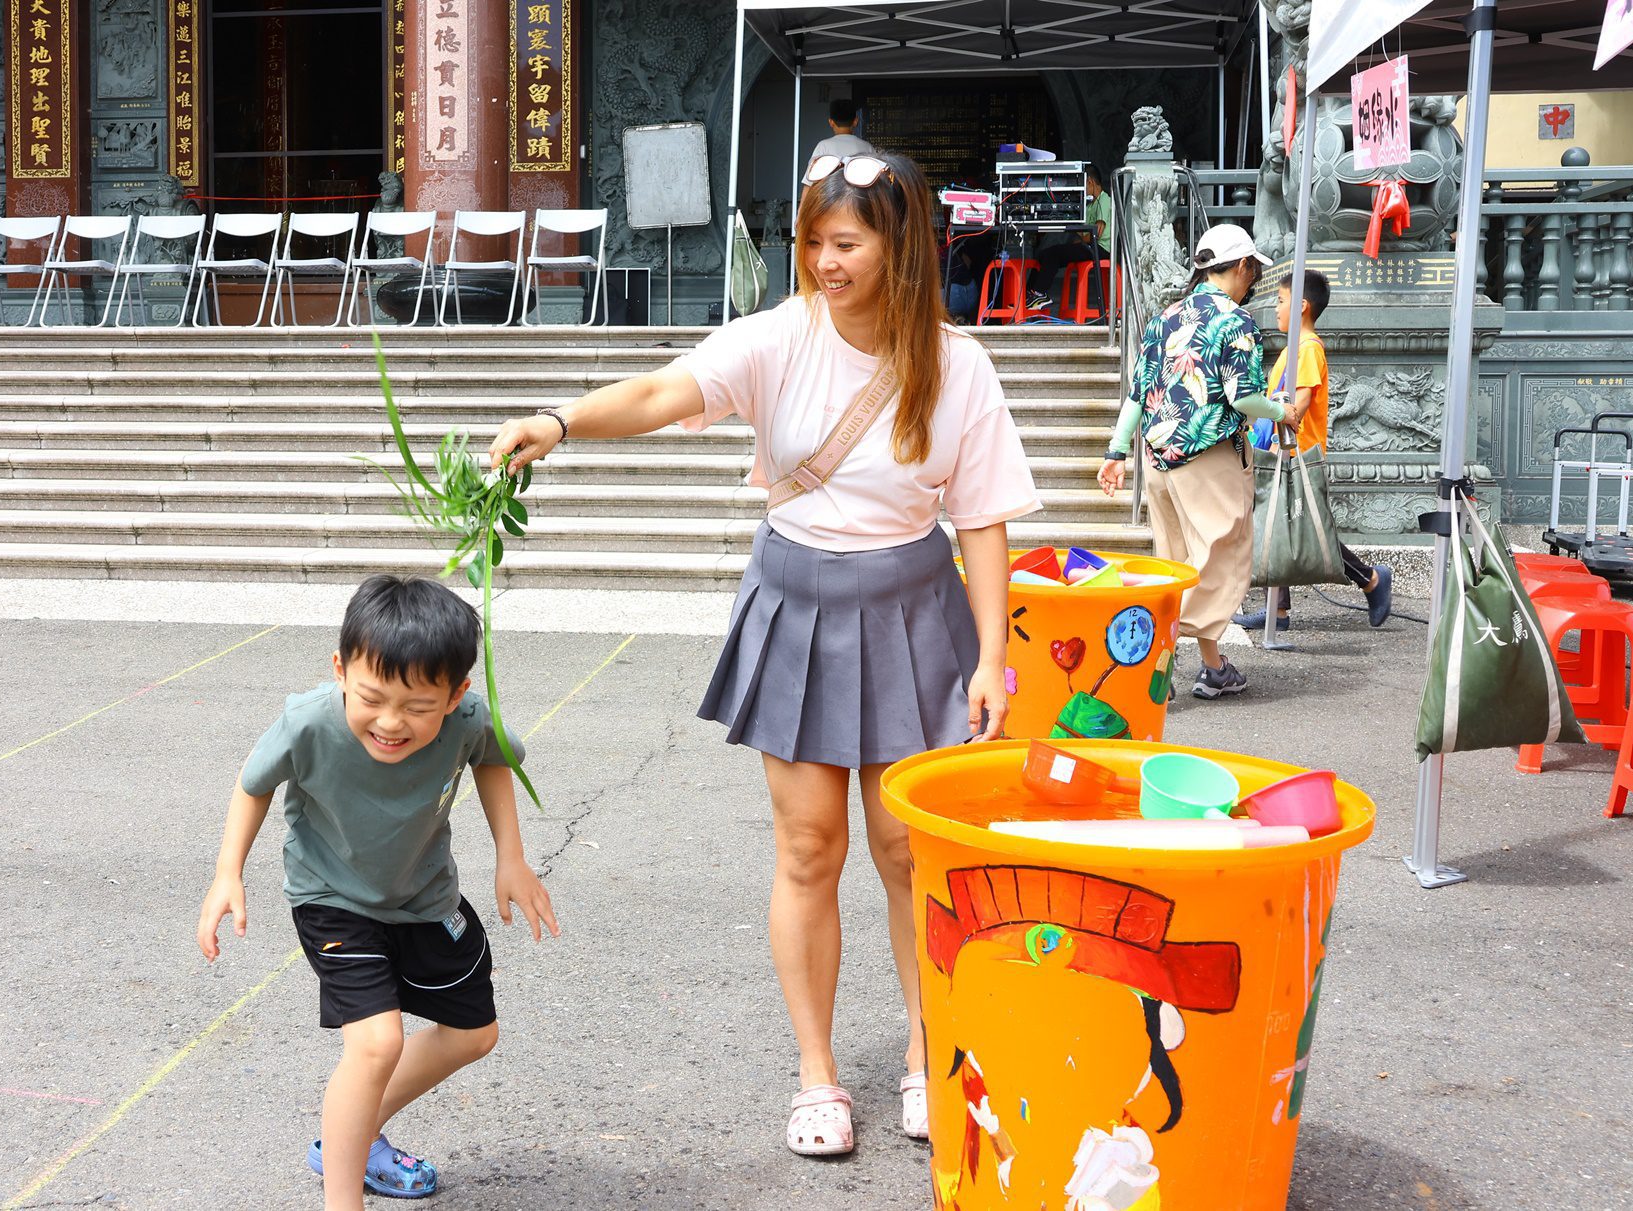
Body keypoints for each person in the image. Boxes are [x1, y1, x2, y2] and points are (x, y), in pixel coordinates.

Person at [489, 150, 1040, 1158]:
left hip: (916, 608)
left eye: (844, 244)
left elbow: (985, 522)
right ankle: (816, 1071)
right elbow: (661, 392)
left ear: (898, 246)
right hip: (799, 601)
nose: (823, 262)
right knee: (808, 846)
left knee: (909, 850)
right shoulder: (777, 338)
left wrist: (989, 658)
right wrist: (558, 421)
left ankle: (929, 1051)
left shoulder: (955, 363)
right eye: (813, 243)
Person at [196, 575, 560, 1209]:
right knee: (377, 1043)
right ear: (341, 669)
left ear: (455, 695)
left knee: (474, 1034)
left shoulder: (468, 719)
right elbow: (253, 785)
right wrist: (228, 873)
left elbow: (494, 757)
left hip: (426, 899)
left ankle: (348, 1131)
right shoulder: (307, 723)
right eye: (372, 698)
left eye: (418, 706)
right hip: (332, 899)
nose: (391, 722)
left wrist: (512, 858)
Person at [1096, 223, 1291, 699]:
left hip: (1159, 460)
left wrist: (1115, 452)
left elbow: (1138, 394)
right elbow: (1244, 398)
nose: (1253, 283)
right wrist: (1282, 411)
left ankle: (1212, 667)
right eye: (1253, 272)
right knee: (1219, 561)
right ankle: (1140, 651)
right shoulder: (1235, 322)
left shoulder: (1166, 318)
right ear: (1242, 266)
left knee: (1178, 563)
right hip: (1208, 459)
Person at [1234, 270, 1395, 630]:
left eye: (1280, 300)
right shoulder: (1296, 348)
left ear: (1302, 307)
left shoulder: (1307, 349)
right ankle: (1279, 611)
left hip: (1297, 454)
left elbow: (1299, 403)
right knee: (1282, 526)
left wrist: (1278, 440)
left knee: (1306, 530)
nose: (1275, 308)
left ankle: (1371, 579)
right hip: (1287, 451)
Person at [1026, 163, 1112, 312]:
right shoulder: (1091, 204)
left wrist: (1075, 229)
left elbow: (1095, 234)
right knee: (1043, 255)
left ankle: (1039, 293)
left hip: (1101, 249)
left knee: (1053, 254)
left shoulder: (1104, 200)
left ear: (1089, 181)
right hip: (1091, 247)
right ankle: (1029, 295)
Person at [800, 98, 875, 184]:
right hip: (860, 197)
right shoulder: (867, 147)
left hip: (830, 197)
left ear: (831, 122)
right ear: (856, 121)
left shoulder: (823, 146)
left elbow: (809, 182)